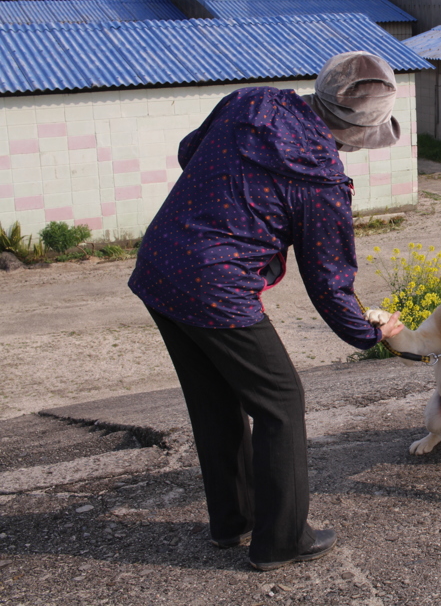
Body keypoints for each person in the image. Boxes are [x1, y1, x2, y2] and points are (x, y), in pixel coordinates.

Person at [129, 52, 403, 571]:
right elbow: (329, 283)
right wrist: (373, 332)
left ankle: (233, 522)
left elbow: (191, 151)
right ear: (356, 132)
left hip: (161, 262)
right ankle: (281, 540)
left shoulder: (252, 100)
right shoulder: (321, 179)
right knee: (281, 399)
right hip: (217, 286)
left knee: (214, 397)